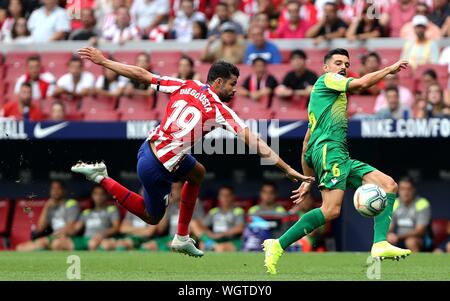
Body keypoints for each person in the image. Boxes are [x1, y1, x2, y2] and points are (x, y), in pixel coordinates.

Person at [73, 46, 313, 257]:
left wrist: (104, 62)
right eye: (231, 84)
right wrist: (288, 169)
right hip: (158, 168)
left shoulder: (187, 85)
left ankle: (182, 236)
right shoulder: (220, 110)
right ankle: (102, 178)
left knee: (197, 172)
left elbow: (143, 75)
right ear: (218, 82)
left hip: (147, 149)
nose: (234, 90)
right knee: (152, 217)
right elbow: (255, 142)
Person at [263, 48, 411, 275]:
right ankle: (278, 244)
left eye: (346, 64)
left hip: (338, 154)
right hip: (329, 151)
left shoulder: (329, 97)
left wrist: (307, 179)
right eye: (338, 62)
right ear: (326, 68)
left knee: (388, 185)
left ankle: (380, 243)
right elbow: (360, 84)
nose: (343, 67)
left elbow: (306, 142)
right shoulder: (327, 80)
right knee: (331, 210)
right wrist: (389, 70)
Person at [51, 185, 121, 251]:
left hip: (101, 239)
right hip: (85, 239)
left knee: (93, 244)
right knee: (57, 243)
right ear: (92, 196)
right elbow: (75, 229)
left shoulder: (112, 209)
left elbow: (116, 228)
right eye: (96, 194)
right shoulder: (86, 212)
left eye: (101, 194)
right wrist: (64, 233)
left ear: (106, 196)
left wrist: (102, 234)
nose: (99, 197)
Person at [16, 180, 80, 251]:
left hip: (67, 237)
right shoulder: (50, 206)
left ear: (64, 191)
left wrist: (55, 236)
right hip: (53, 237)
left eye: (58, 188)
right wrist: (46, 207)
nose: (55, 191)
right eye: (53, 189)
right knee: (20, 248)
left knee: (56, 244)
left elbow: (70, 227)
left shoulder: (71, 204)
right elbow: (40, 228)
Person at [388, 177, 432, 252]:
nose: (405, 192)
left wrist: (398, 236)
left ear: (414, 190)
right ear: (398, 190)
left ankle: (416, 263)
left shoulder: (422, 203)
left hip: (420, 239)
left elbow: (419, 231)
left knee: (410, 242)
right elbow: (389, 226)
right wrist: (389, 234)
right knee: (384, 241)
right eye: (402, 189)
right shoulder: (395, 203)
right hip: (398, 238)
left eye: (409, 189)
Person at [199, 185, 245, 252]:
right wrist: (210, 234)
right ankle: (212, 245)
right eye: (222, 195)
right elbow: (203, 226)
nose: (225, 198)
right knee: (202, 243)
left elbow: (240, 228)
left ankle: (213, 246)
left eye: (228, 195)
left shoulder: (238, 211)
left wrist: (222, 234)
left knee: (221, 247)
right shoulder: (214, 211)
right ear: (219, 197)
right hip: (215, 238)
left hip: (232, 240)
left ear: (233, 196)